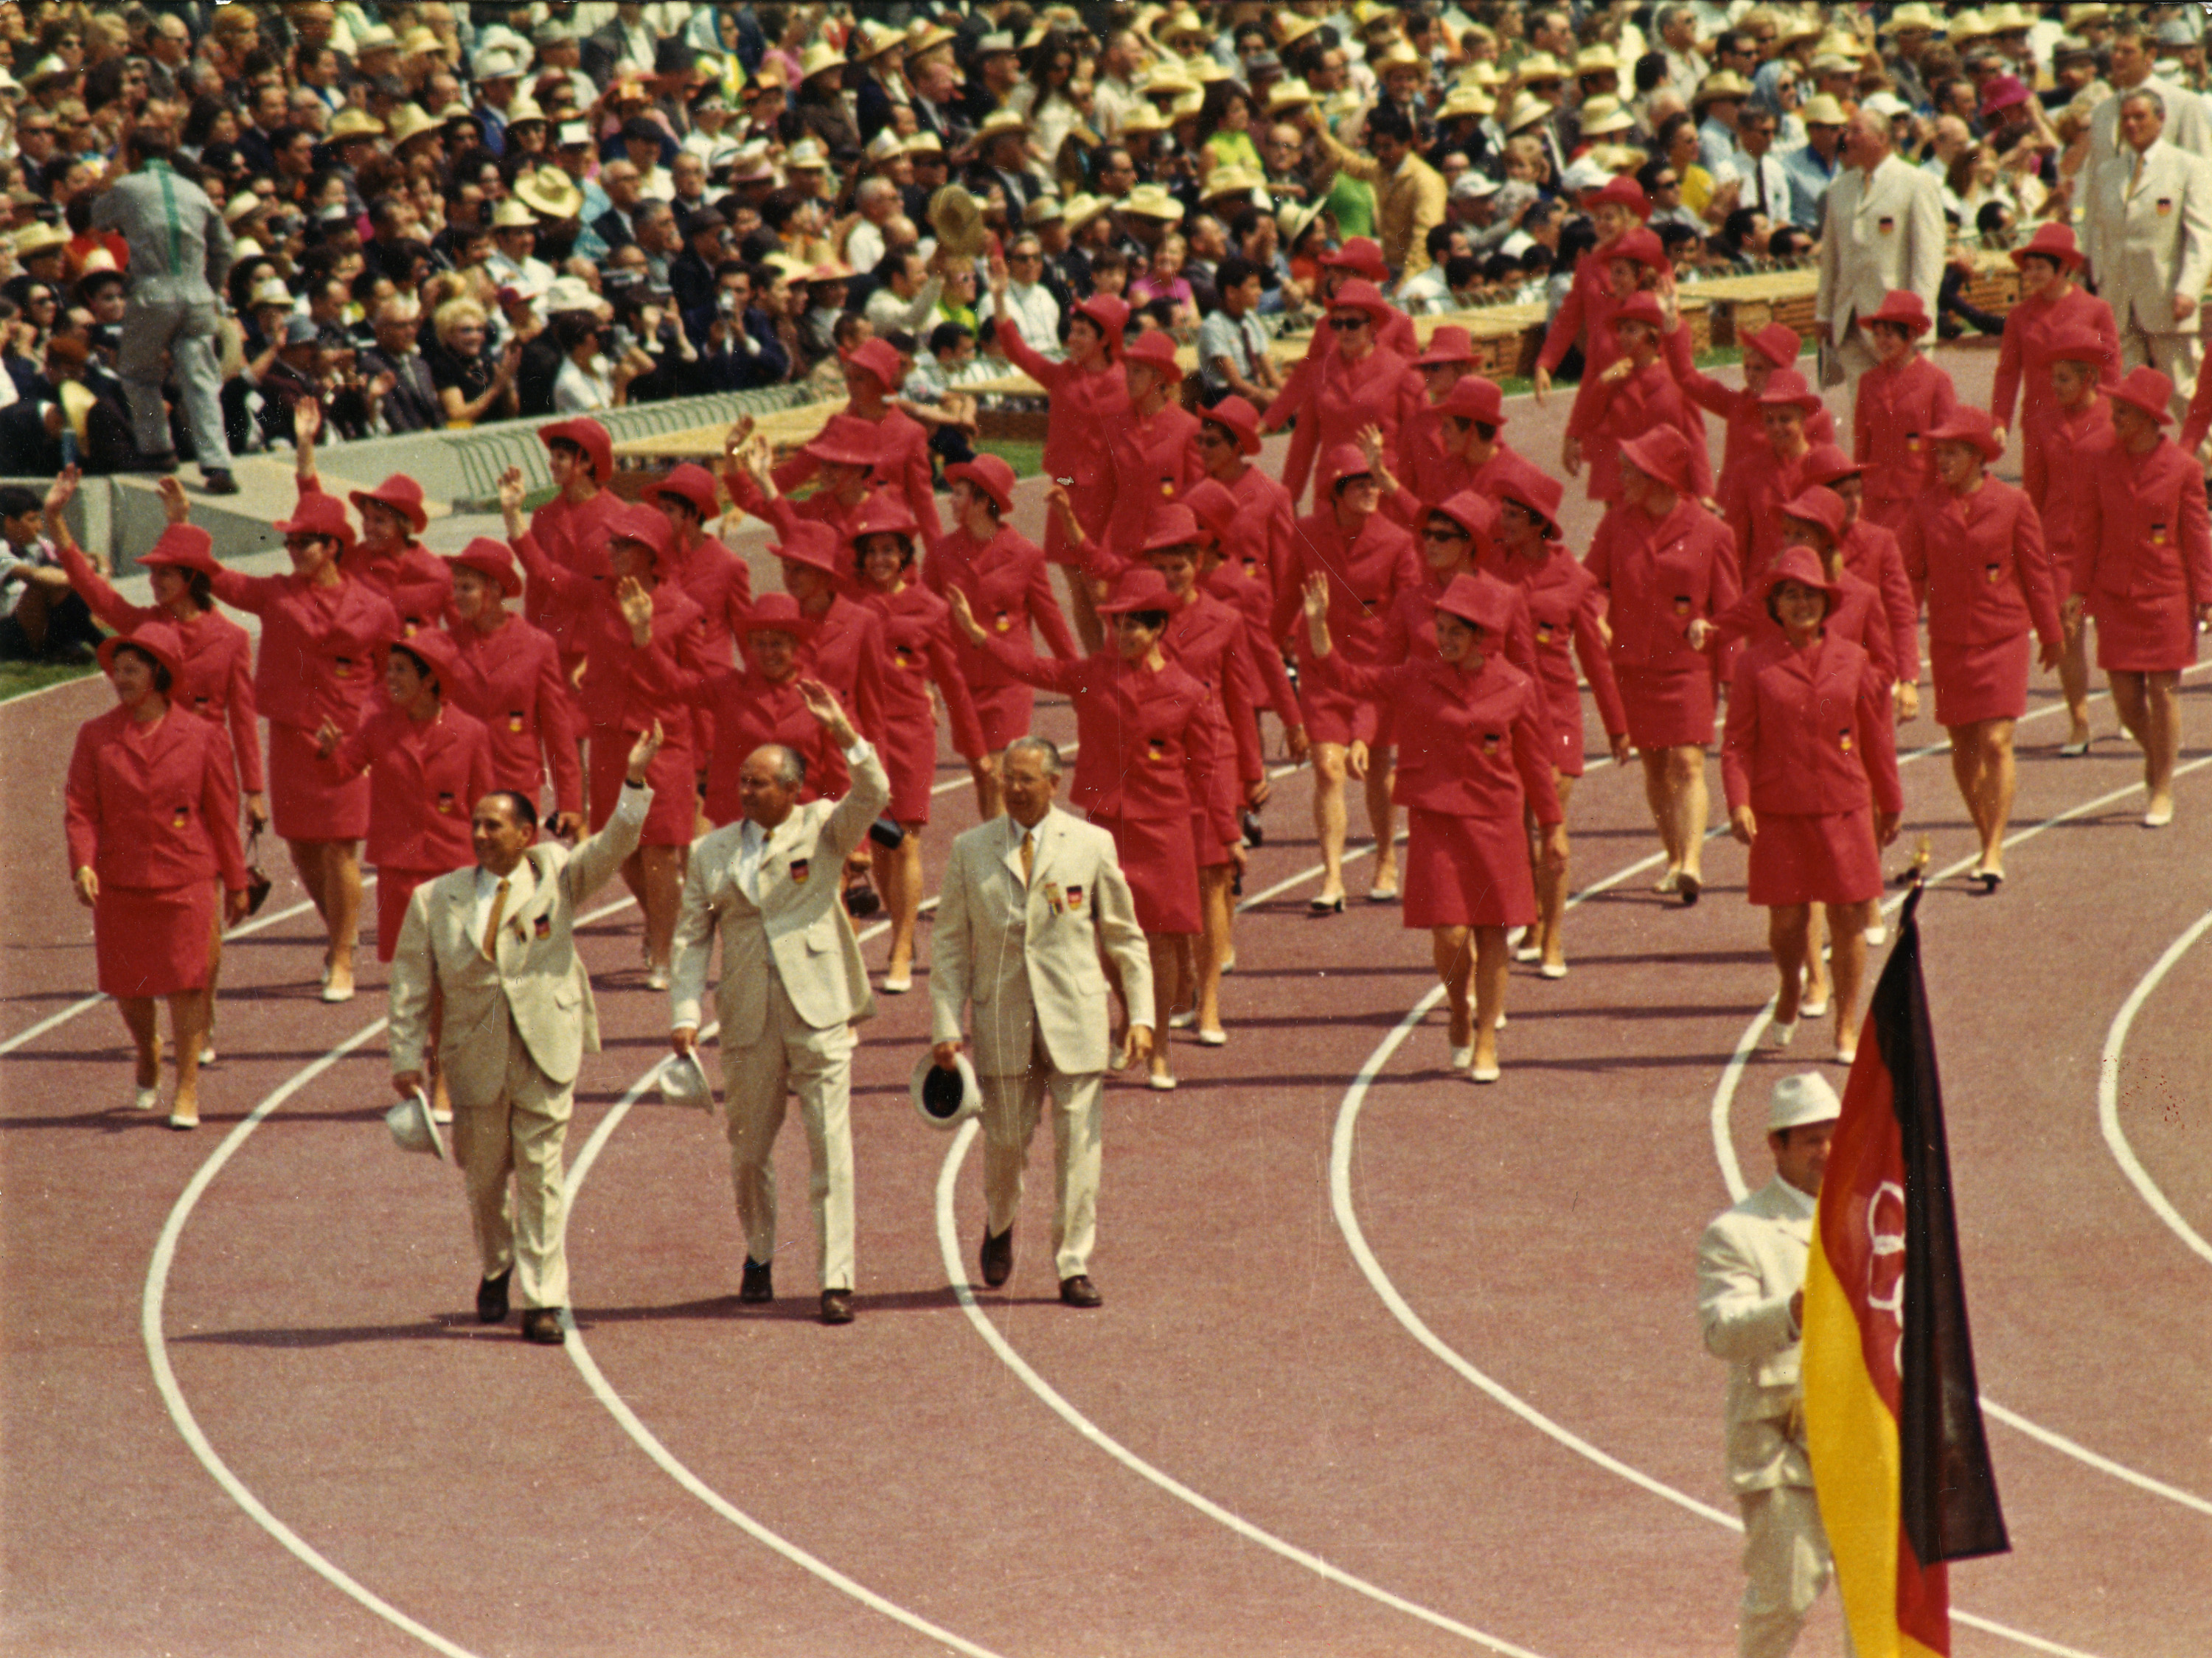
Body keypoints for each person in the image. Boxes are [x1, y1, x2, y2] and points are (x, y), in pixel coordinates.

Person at [389, 724, 664, 1348]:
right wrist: (406, 1055)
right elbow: (410, 982)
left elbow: (618, 841)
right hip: (473, 1053)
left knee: (541, 1171)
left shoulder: (559, 876)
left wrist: (635, 779)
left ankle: (544, 1297)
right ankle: (497, 1262)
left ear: (526, 833)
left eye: (495, 826)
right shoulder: (436, 900)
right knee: (484, 1177)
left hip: (546, 1042)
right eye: (476, 825)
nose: (482, 835)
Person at [949, 565, 1229, 1093]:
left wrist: (1226, 837)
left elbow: (1208, 772)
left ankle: (1161, 1046)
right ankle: (1132, 1019)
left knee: (1164, 937)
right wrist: (980, 637)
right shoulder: (1094, 673)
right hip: (1106, 823)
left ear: (1157, 629)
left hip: (1166, 823)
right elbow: (1036, 668)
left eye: (1133, 626)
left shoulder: (1187, 691)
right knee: (1105, 929)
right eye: (1115, 624)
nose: (1122, 635)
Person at [668, 681, 888, 1328]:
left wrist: (844, 730)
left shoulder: (823, 825)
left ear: (793, 789)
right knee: (749, 1149)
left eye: (761, 783)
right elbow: (689, 936)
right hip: (747, 1013)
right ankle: (759, 1251)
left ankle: (836, 1277)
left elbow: (874, 793)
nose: (747, 792)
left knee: (831, 1147)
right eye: (743, 782)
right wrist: (685, 1012)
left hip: (818, 1006)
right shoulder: (711, 851)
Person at [1301, 569, 1565, 1084]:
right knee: (1449, 933)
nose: (1443, 640)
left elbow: (1535, 763)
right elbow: (1347, 679)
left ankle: (1485, 1038)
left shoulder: (1517, 686)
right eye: (1440, 629)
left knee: (1494, 932)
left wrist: (1553, 827)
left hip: (1497, 820)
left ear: (1482, 638)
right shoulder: (1416, 675)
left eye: (1454, 633)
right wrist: (1318, 629)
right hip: (1437, 819)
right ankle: (1458, 1006)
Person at [931, 734, 1153, 1311]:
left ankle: (1073, 1262)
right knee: (1005, 1144)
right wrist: (944, 1024)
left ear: (1055, 784)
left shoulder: (1091, 843)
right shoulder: (969, 849)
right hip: (1002, 1018)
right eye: (1008, 777)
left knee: (1080, 1146)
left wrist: (1142, 1013)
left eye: (1027, 778)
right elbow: (952, 946)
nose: (1015, 788)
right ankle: (1000, 1221)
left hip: (1075, 1017)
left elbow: (1126, 937)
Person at [205, 493, 402, 1003]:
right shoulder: (276, 594)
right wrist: (184, 527)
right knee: (301, 845)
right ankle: (341, 926)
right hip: (292, 737)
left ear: (334, 547)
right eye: (289, 541)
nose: (293, 549)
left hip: (347, 740)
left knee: (341, 846)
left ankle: (340, 956)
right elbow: (222, 581)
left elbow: (389, 674)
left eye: (304, 541)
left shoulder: (375, 609)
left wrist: (368, 726)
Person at [508, 498, 709, 987]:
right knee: (623, 849)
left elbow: (692, 686)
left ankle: (663, 949)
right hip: (608, 740)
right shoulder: (599, 595)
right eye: (614, 542)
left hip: (660, 742)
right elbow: (545, 572)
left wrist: (646, 638)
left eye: (624, 544)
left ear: (650, 553)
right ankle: (668, 921)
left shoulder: (682, 611)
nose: (613, 550)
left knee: (659, 850)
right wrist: (514, 517)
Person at [65, 621, 251, 1130]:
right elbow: (80, 807)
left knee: (189, 984)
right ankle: (147, 1048)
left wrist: (235, 882)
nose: (120, 679)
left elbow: (221, 814)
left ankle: (187, 1087)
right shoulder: (96, 736)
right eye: (116, 670)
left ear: (159, 673)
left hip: (185, 875)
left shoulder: (203, 736)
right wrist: (83, 861)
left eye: (132, 669)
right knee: (130, 988)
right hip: (121, 880)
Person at [1722, 546, 1905, 1063]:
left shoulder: (1854, 659)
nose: (1801, 604)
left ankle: (1846, 1023)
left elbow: (1875, 736)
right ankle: (1790, 983)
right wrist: (1739, 803)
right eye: (1790, 595)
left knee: (1849, 918)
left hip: (1843, 806)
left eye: (1810, 595)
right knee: (1787, 923)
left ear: (1827, 604)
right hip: (1780, 811)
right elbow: (1736, 743)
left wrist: (1890, 799)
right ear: (1776, 605)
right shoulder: (1755, 664)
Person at [1697, 1071, 1846, 1658]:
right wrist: (1792, 1310)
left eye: (1834, 1135)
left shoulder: (1879, 1217)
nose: (1826, 1151)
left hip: (1867, 1434)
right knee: (1787, 1590)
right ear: (1776, 1146)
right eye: (1810, 1139)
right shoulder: (1738, 1232)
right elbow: (1721, 1330)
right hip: (1781, 1437)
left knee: (1876, 1595)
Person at [317, 632, 494, 1114]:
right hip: (400, 871)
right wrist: (330, 750)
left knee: (446, 979)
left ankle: (441, 1076)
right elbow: (341, 771)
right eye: (387, 668)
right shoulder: (379, 727)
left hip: (452, 869)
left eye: (399, 670)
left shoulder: (471, 732)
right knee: (416, 978)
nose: (388, 679)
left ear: (430, 679)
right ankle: (431, 1067)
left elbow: (485, 805)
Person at [1896, 408, 2065, 891]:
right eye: (1938, 452)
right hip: (1951, 641)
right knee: (1964, 746)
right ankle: (1986, 833)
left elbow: (2035, 571)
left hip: (2003, 636)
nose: (1941, 460)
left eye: (1950, 452)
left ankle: (1993, 849)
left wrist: (2050, 633)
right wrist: (1900, 641)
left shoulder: (2013, 504)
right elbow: (1908, 576)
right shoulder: (1926, 507)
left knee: (1996, 741)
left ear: (1976, 455)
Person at [1482, 458, 1629, 978]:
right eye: (1503, 510)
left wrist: (1616, 725)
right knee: (1518, 820)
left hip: (1558, 713)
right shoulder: (1489, 566)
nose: (1505, 520)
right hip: (1504, 710)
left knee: (1550, 822)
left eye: (1515, 513)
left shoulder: (1575, 579)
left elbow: (1594, 657)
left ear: (1540, 522)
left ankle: (1553, 938)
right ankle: (1536, 916)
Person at [1585, 428, 1742, 905]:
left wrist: (1726, 663)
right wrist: (1597, 616)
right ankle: (1673, 856)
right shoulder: (1616, 523)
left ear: (1659, 476)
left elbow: (1730, 607)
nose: (1622, 476)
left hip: (1688, 663)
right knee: (1654, 765)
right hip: (1633, 663)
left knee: (1688, 761)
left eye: (1632, 469)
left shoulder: (1713, 532)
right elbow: (1591, 582)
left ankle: (1692, 859)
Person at [1273, 443, 1422, 913]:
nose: (1371, 491)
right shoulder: (1308, 533)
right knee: (1327, 767)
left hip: (1375, 673)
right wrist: (1269, 646)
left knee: (1376, 766)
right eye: (1360, 484)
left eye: (1374, 482)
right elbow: (1286, 599)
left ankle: (1384, 858)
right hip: (1321, 668)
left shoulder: (1398, 542)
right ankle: (1332, 876)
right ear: (1335, 492)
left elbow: (1414, 611)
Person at [849, 492, 986, 992]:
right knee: (880, 842)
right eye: (873, 550)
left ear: (906, 555)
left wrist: (976, 749)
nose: (881, 559)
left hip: (909, 731)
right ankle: (896, 923)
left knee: (904, 838)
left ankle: (902, 945)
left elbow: (951, 680)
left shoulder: (929, 607)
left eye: (891, 550)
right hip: (860, 733)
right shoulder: (848, 603)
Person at [2070, 367, 2212, 829]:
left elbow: (2196, 536)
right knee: (2126, 700)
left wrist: (2206, 597)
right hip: (2115, 595)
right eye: (2115, 411)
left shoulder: (2185, 470)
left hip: (2167, 594)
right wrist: (2077, 589)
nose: (2116, 419)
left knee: (2163, 692)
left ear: (2152, 419)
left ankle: (2162, 786)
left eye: (2126, 412)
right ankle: (2159, 757)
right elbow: (2088, 529)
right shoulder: (2100, 462)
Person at [919, 453, 1079, 821]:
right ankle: (1007, 845)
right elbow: (922, 621)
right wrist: (926, 681)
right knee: (983, 775)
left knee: (995, 772)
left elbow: (1051, 619)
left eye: (958, 493)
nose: (950, 500)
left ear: (981, 500)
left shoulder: (1025, 554)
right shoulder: (941, 553)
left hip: (1009, 682)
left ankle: (1004, 859)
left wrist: (1076, 673)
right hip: (962, 685)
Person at [92, 116, 238, 493]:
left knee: (139, 371)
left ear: (135, 154)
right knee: (200, 376)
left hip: (153, 291)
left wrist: (115, 171)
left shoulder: (128, 186)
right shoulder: (195, 191)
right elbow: (224, 246)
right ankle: (217, 462)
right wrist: (214, 285)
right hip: (197, 292)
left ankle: (158, 449)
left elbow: (97, 218)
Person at [984, 282, 1131, 652]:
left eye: (1083, 333)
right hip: (1064, 485)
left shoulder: (1126, 382)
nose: (1073, 339)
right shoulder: (1064, 374)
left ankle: (1125, 660)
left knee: (1101, 586)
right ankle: (1098, 666)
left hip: (1105, 496)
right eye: (1073, 331)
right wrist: (1000, 294)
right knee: (1077, 584)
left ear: (1104, 339)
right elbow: (1017, 351)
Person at [440, 539, 584, 838]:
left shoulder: (537, 646)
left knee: (515, 878)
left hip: (516, 783)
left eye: (466, 588)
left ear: (493, 590)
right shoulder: (444, 645)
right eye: (455, 588)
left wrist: (569, 800)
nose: (456, 597)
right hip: (458, 784)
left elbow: (558, 729)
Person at [2090, 86, 2212, 425]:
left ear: (2161, 120)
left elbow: (2202, 235)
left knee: (2182, 387)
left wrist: (2189, 288)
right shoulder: (2108, 172)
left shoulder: (2188, 167)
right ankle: (2141, 469)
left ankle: (2207, 467)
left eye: (2139, 116)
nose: (2130, 124)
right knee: (2127, 391)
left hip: (2166, 295)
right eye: (2125, 118)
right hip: (2118, 296)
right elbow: (2098, 232)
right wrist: (2100, 281)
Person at [1813, 110, 1944, 399]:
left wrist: (1918, 319)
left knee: (1910, 412)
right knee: (1865, 416)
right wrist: (1823, 313)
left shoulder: (1916, 182)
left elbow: (1928, 259)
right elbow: (1831, 259)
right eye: (1847, 131)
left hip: (1900, 324)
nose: (1847, 138)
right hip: (1851, 322)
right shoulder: (1840, 189)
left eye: (1856, 131)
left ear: (1883, 138)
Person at [1850, 290, 1957, 536]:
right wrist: (1858, 489)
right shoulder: (1868, 382)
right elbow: (1862, 443)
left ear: (1910, 335)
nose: (1881, 342)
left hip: (1918, 493)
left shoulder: (1937, 381)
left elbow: (1947, 444)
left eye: (1889, 335)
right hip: (1876, 496)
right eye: (1877, 335)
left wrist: (1943, 496)